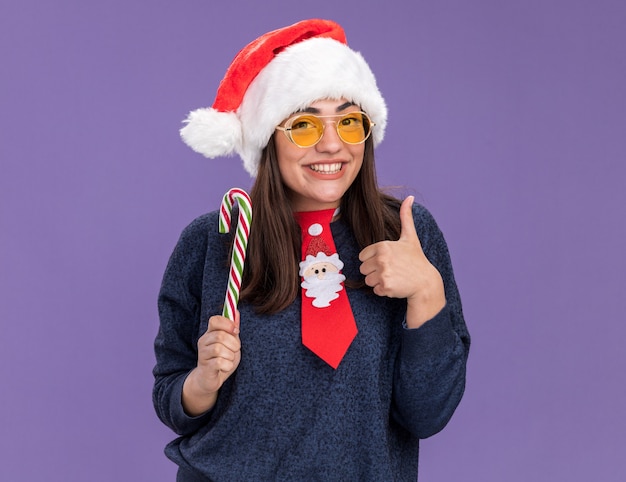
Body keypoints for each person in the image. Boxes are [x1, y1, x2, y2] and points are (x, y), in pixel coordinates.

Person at [153, 19, 470, 482]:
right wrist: (200, 383)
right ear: (268, 139)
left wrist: (427, 292)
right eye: (303, 124)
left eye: (347, 120)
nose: (330, 143)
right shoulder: (213, 239)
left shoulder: (408, 235)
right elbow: (172, 398)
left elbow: (428, 415)